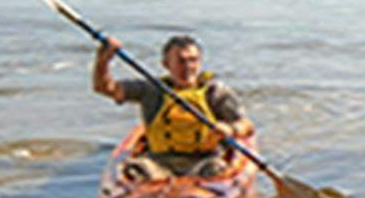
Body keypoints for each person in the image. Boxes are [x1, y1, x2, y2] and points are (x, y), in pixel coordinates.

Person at [92, 33, 255, 179]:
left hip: (204, 160)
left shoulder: (215, 92)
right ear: (166, 64)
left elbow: (247, 126)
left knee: (215, 170)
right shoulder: (152, 89)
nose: (188, 67)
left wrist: (230, 129)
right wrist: (103, 60)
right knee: (135, 171)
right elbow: (105, 88)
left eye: (193, 60)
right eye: (181, 61)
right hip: (159, 162)